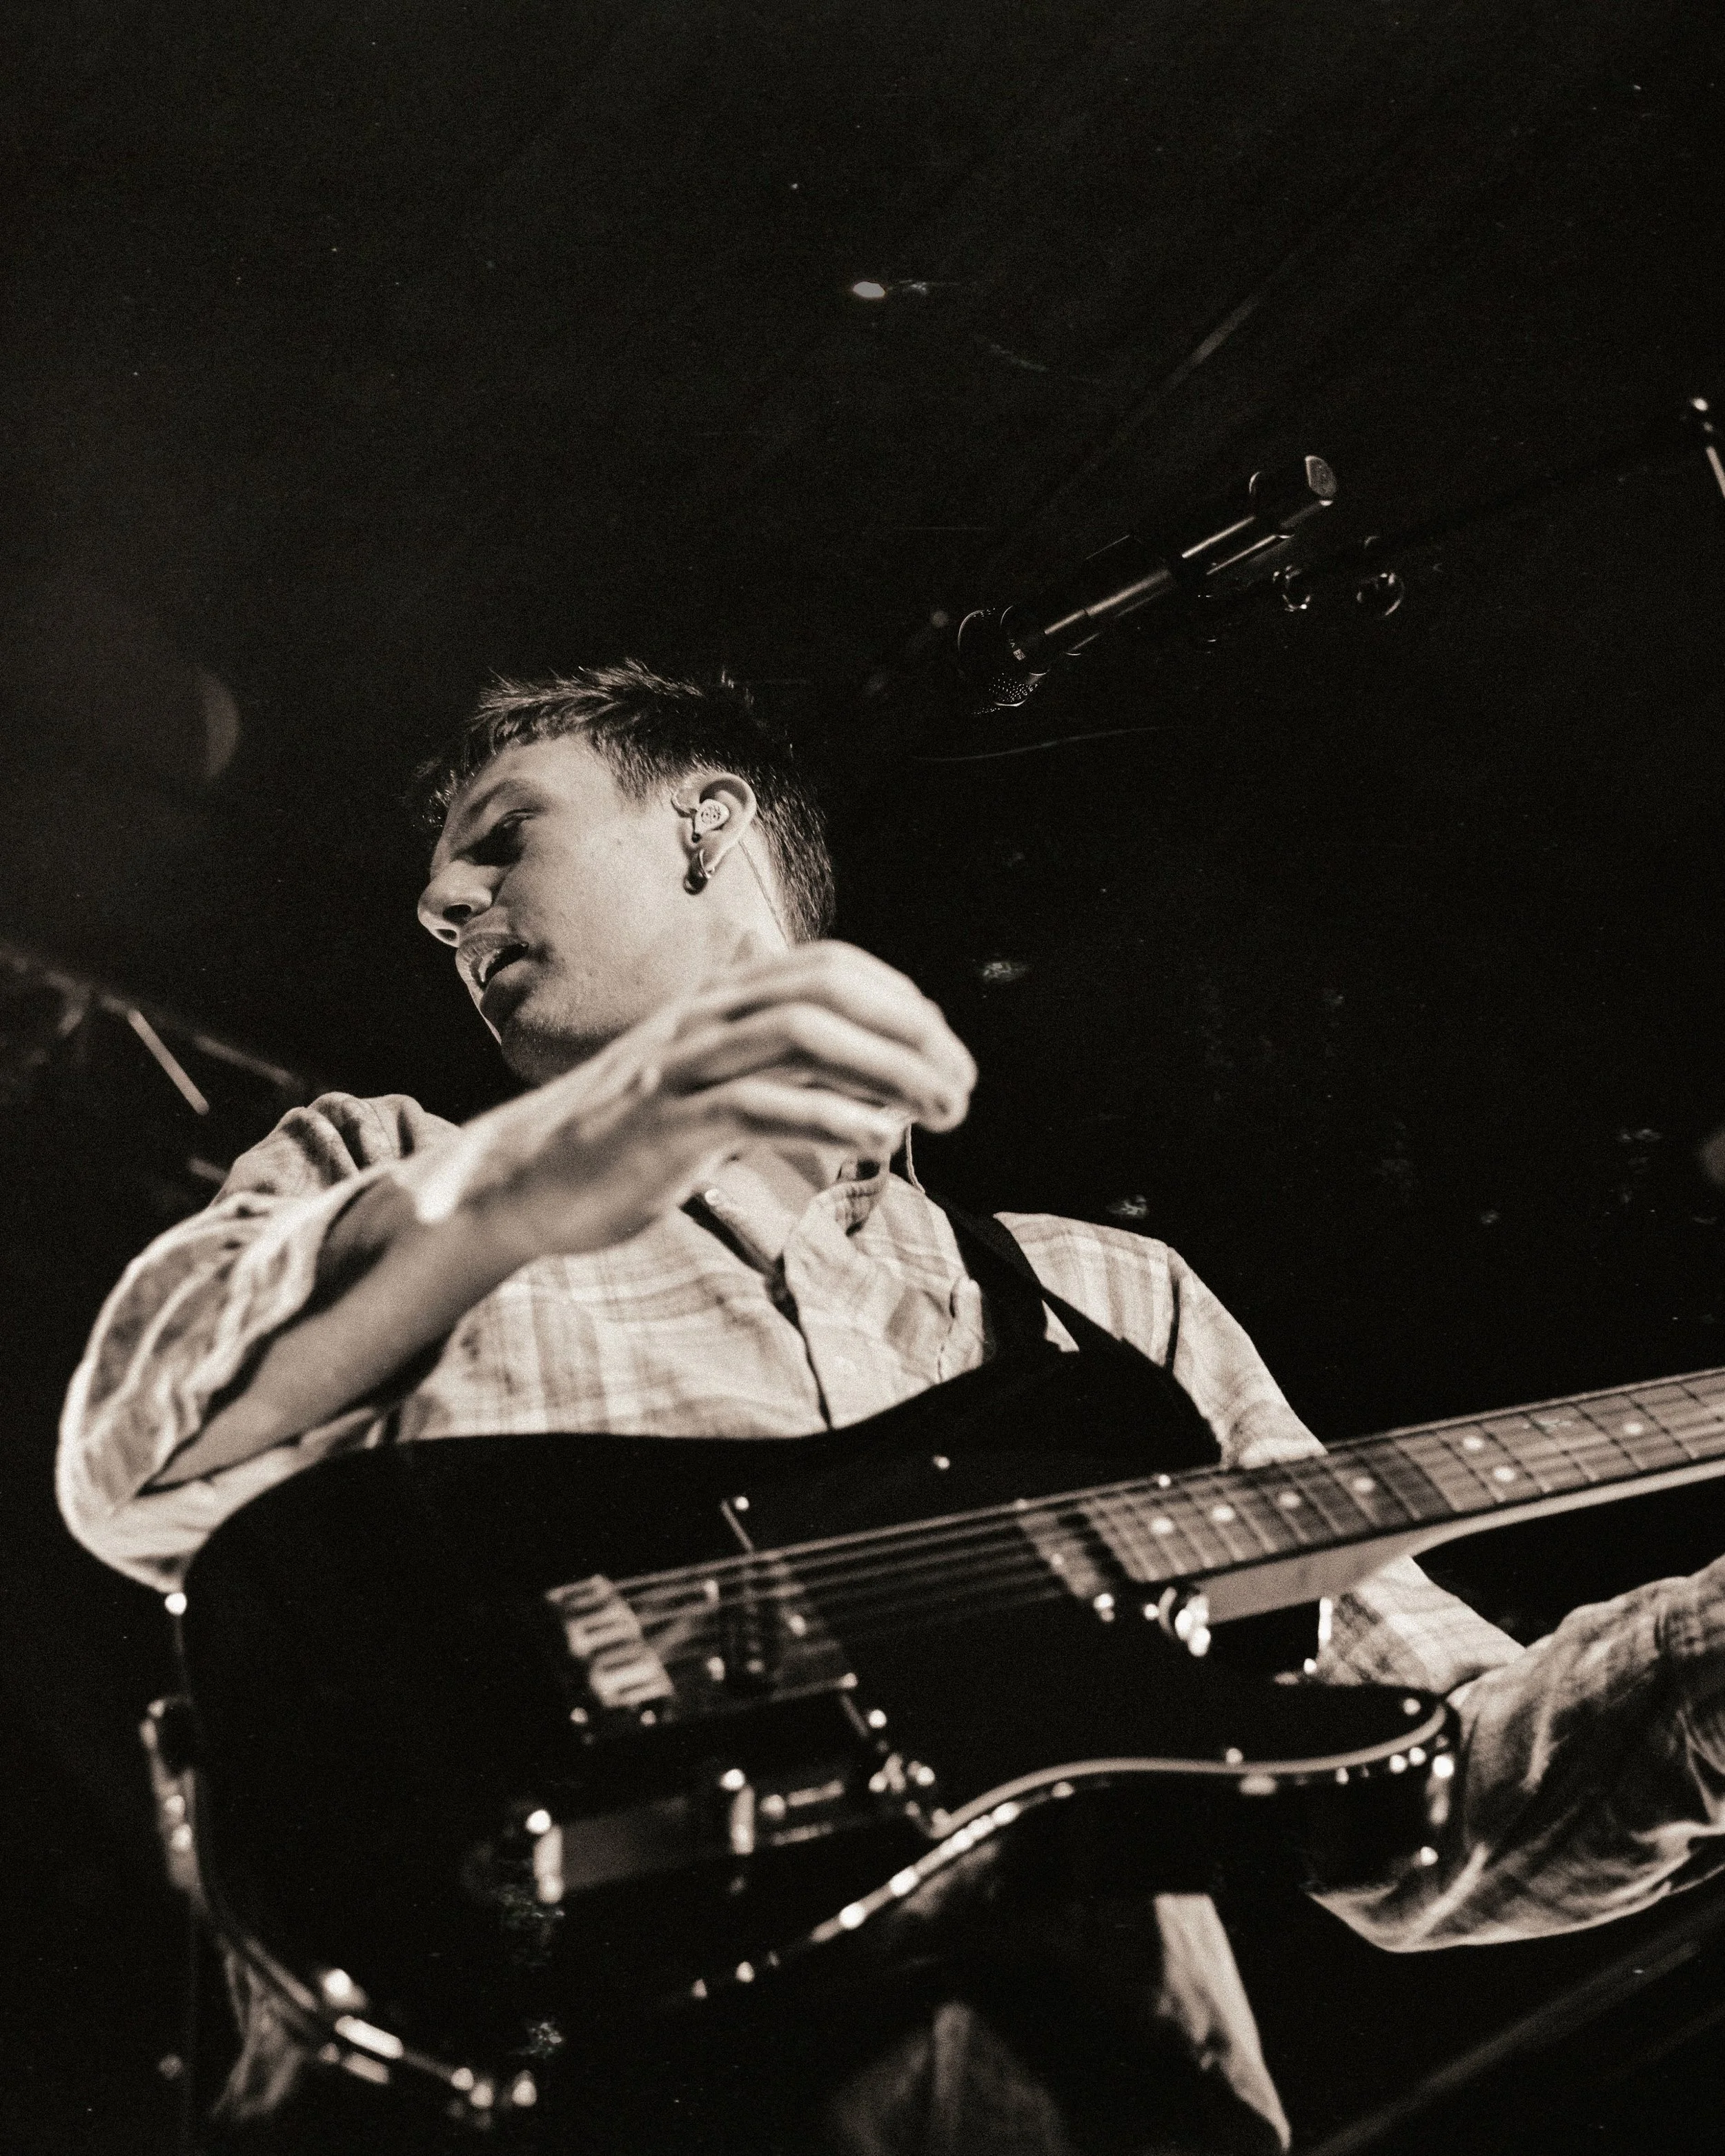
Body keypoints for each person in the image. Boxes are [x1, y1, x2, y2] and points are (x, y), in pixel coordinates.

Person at [57, 663, 1725, 2153]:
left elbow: (1436, 1807)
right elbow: (134, 1472)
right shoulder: (390, 1177)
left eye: (503, 834)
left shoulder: (1105, 1302)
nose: (440, 897)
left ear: (706, 829)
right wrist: (512, 1187)